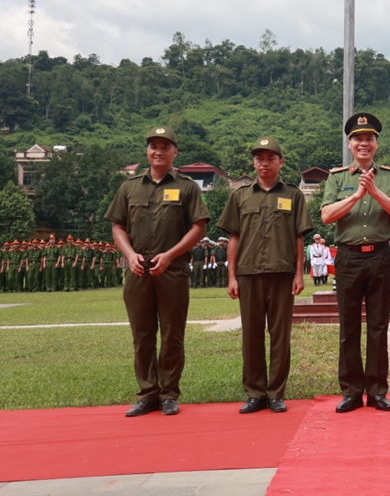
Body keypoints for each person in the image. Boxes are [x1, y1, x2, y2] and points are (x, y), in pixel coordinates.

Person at [104, 126, 209, 417]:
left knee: (173, 334)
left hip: (172, 270)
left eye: (165, 146)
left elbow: (198, 228)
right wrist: (129, 254)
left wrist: (171, 254)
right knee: (142, 334)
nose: (158, 151)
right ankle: (148, 394)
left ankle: (169, 394)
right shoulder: (129, 187)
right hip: (137, 272)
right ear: (147, 151)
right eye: (153, 146)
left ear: (175, 152)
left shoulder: (188, 187)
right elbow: (118, 227)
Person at [321, 113, 390, 413]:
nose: (363, 143)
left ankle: (376, 390)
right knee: (348, 327)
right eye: (358, 138)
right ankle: (351, 390)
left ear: (376, 143)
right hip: (347, 257)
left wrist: (375, 191)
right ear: (350, 144)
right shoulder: (336, 178)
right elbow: (326, 216)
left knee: (378, 326)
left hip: (380, 256)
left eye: (369, 138)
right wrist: (357, 194)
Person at [219, 137, 313, 414]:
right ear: (254, 162)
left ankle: (275, 393)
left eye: (270, 157)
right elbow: (233, 239)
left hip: (282, 274)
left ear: (280, 162)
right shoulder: (239, 195)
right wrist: (232, 277)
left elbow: (299, 238)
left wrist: (299, 274)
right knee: (251, 335)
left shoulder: (293, 195)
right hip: (248, 274)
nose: (264, 162)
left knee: (280, 335)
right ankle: (255, 393)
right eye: (259, 158)